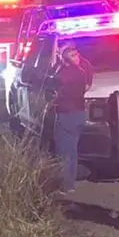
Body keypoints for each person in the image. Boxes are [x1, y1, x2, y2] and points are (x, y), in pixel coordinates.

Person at [47, 44, 94, 193]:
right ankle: (71, 183)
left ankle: (65, 186)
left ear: (63, 60)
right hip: (80, 114)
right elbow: (86, 87)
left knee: (64, 153)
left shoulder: (62, 74)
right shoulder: (82, 72)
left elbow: (52, 88)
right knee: (72, 151)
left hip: (66, 115)